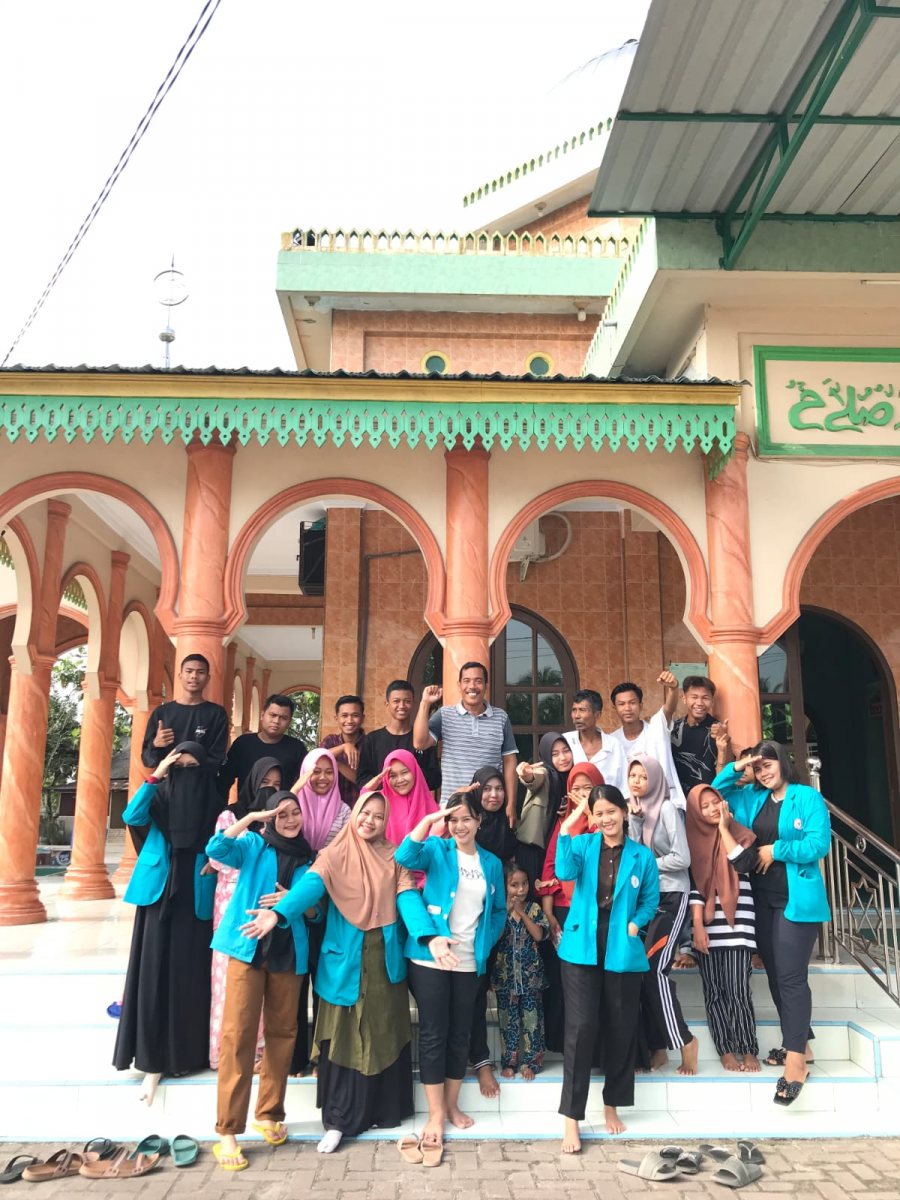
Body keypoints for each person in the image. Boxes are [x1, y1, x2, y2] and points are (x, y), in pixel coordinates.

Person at [242, 790, 435, 1154]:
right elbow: (310, 887)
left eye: (378, 816)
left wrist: (427, 934)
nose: (370, 821)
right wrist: (279, 912)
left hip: (384, 963)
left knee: (383, 1033)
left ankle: (383, 1112)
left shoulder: (394, 856)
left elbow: (407, 895)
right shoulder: (332, 855)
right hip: (344, 963)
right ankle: (338, 1121)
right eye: (365, 813)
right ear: (355, 813)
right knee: (345, 1039)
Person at [714, 742, 831, 1105]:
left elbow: (819, 844)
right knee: (778, 975)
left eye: (769, 764)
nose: (764, 772)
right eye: (758, 767)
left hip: (795, 902)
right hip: (761, 901)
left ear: (783, 762)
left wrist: (775, 850)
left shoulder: (806, 797)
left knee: (791, 977)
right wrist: (739, 766)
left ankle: (796, 1063)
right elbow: (716, 792)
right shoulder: (753, 798)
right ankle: (802, 1044)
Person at [206, 790, 317, 1171]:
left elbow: (317, 912)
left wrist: (293, 901)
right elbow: (216, 849)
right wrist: (251, 818)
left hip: (289, 953)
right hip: (248, 948)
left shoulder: (309, 858)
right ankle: (227, 1130)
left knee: (283, 1034)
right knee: (238, 1035)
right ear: (270, 818)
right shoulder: (253, 845)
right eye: (281, 813)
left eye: (295, 812)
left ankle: (268, 1114)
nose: (290, 819)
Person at [395, 791, 506, 1163]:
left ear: (479, 821)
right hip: (430, 958)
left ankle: (453, 1104)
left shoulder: (491, 863)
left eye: (466, 819)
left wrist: (484, 942)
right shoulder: (436, 849)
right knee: (434, 1033)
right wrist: (430, 822)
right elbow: (404, 856)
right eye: (453, 820)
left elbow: (498, 911)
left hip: (468, 961)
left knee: (460, 1033)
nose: (459, 826)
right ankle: (436, 1113)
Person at [113, 742, 221, 1104]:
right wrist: (156, 775)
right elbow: (131, 816)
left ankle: (186, 1055)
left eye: (193, 768)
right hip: (159, 894)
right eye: (180, 769)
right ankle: (151, 1058)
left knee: (189, 976)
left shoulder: (213, 805)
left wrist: (216, 861)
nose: (186, 776)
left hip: (196, 894)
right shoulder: (157, 800)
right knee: (153, 974)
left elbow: (225, 843)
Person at [556, 783, 659, 1149]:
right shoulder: (583, 844)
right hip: (581, 947)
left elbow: (650, 899)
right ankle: (571, 1118)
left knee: (620, 1027)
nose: (605, 819)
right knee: (581, 1029)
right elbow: (564, 871)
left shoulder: (641, 856)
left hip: (621, 948)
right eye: (598, 813)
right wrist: (570, 823)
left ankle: (611, 1105)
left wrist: (635, 924)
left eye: (611, 811)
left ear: (623, 811)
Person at [208, 756, 282, 1070]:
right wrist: (251, 817)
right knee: (228, 979)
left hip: (265, 904)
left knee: (260, 980)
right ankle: (225, 1051)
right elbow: (217, 858)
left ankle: (258, 1049)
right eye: (265, 783)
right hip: (232, 905)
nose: (270, 790)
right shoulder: (231, 816)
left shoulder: (279, 819)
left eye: (277, 785)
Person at [627, 753, 697, 1075]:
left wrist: (648, 865)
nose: (637, 781)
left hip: (671, 896)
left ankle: (685, 1041)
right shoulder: (637, 810)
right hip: (647, 899)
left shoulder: (668, 808)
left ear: (655, 779)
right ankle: (658, 1048)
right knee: (642, 972)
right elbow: (632, 853)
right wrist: (635, 820)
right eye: (633, 776)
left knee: (655, 971)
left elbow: (682, 858)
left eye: (643, 776)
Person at [685, 783, 760, 1072]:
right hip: (707, 926)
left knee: (739, 989)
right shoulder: (693, 842)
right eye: (704, 806)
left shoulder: (740, 833)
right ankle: (725, 1049)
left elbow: (742, 863)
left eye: (714, 802)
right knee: (714, 992)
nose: (712, 809)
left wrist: (724, 828)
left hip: (739, 924)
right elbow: (694, 888)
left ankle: (748, 1047)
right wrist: (697, 927)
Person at [288, 748, 350, 1074]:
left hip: (332, 902)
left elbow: (344, 852)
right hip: (293, 900)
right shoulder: (292, 807)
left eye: (329, 772)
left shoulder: (344, 811)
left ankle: (322, 1056)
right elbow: (276, 825)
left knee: (325, 981)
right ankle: (296, 1057)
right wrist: (295, 789)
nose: (323, 778)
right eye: (316, 771)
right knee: (295, 981)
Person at [536, 762, 603, 1055]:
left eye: (588, 787)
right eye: (576, 788)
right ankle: (560, 1042)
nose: (582, 793)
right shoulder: (564, 822)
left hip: (597, 911)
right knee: (563, 977)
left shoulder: (604, 821)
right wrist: (549, 913)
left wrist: (590, 813)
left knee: (592, 977)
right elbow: (550, 866)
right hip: (565, 910)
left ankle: (595, 1047)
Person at [413, 662, 518, 821]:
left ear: (486, 685)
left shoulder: (501, 717)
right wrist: (425, 703)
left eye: (478, 681)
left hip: (489, 807)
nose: (472, 686)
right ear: (459, 685)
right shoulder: (445, 715)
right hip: (453, 807)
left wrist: (511, 804)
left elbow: (510, 761)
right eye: (466, 681)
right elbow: (419, 743)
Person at [468, 766, 518, 1100]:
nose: (494, 795)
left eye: (499, 788)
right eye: (486, 788)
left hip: (498, 923)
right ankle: (477, 1057)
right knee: (472, 994)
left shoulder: (508, 829)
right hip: (466, 925)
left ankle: (510, 1055)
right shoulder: (463, 828)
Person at [492, 862, 549, 1080]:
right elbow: (494, 937)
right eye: (514, 885)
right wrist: (508, 910)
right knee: (508, 1021)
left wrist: (521, 912)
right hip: (506, 977)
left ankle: (531, 1063)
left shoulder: (534, 909)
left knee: (532, 1021)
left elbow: (539, 935)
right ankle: (510, 1062)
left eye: (524, 884)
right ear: (505, 886)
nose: (521, 889)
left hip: (530, 977)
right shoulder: (500, 910)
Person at [141, 654, 229, 770]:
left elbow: (218, 756)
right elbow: (148, 761)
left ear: (207, 678)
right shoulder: (161, 713)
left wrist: (189, 762)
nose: (194, 676)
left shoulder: (217, 714)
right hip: (169, 780)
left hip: (202, 779)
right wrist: (156, 744)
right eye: (189, 671)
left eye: (200, 672)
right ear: (180, 676)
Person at [609, 673, 685, 807]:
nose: (627, 708)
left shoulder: (656, 729)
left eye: (632, 703)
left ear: (641, 705)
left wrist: (673, 688)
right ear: (615, 708)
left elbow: (669, 709)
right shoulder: (612, 741)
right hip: (633, 807)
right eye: (621, 704)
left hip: (666, 802)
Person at [217, 694, 308, 800]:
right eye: (273, 715)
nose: (276, 721)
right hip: (246, 808)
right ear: (262, 715)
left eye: (283, 718)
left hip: (280, 807)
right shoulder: (243, 743)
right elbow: (225, 779)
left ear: (289, 722)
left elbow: (306, 781)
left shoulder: (296, 748)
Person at [357, 680, 441, 793]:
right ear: (387, 704)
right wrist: (388, 785)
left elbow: (435, 778)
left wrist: (411, 777)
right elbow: (362, 779)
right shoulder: (372, 739)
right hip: (383, 801)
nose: (401, 706)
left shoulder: (422, 738)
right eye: (396, 701)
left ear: (413, 703)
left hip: (415, 801)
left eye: (407, 701)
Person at [515, 732, 574, 889]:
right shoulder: (546, 773)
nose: (563, 757)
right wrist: (526, 775)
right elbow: (535, 779)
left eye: (566, 751)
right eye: (555, 754)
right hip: (533, 848)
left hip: (556, 847)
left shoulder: (574, 777)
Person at [669, 675, 732, 796]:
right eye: (694, 697)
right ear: (684, 698)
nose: (699, 703)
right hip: (678, 798)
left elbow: (728, 768)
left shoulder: (717, 730)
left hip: (707, 798)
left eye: (705, 698)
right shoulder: (674, 728)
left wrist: (725, 740)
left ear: (712, 701)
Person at [562, 689, 627, 791]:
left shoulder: (614, 745)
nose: (576, 716)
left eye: (582, 710)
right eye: (574, 710)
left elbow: (624, 787)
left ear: (597, 715)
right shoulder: (565, 741)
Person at [379, 749, 439, 849]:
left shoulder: (432, 808)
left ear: (415, 771)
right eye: (392, 775)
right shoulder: (379, 803)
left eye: (405, 772)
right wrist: (367, 788)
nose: (400, 780)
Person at [320, 694, 366, 808]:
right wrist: (344, 747)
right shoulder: (330, 740)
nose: (349, 720)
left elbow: (364, 781)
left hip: (360, 808)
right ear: (336, 718)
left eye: (355, 715)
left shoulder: (369, 743)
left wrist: (336, 763)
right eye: (344, 716)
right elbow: (316, 759)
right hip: (331, 808)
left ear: (362, 718)